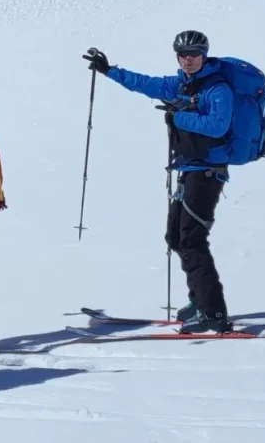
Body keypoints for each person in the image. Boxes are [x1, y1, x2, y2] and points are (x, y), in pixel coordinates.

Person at [83, 30, 234, 334]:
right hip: (189, 169)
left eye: (194, 54)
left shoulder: (218, 89)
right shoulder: (180, 85)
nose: (188, 60)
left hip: (208, 172)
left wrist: (178, 117)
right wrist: (109, 71)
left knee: (192, 240)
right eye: (183, 55)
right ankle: (199, 301)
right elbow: (145, 84)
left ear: (204, 55)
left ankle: (214, 313)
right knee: (176, 237)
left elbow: (218, 126)